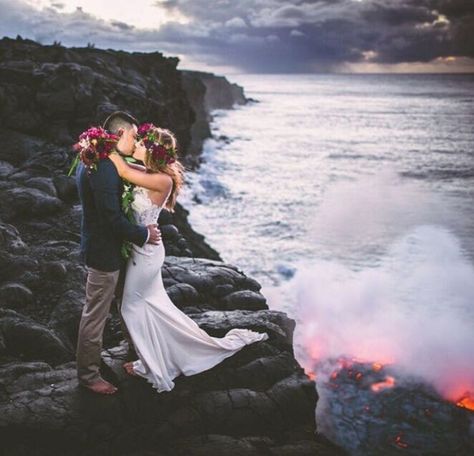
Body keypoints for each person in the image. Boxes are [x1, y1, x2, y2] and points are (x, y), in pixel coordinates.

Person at [108, 125, 269, 392]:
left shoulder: (162, 180)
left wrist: (99, 145)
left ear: (151, 151)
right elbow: (125, 168)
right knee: (155, 306)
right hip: (142, 246)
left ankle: (151, 366)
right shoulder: (148, 173)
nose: (134, 144)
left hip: (146, 253)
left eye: (139, 143)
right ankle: (161, 355)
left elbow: (122, 169)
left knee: (130, 307)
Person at [75, 111, 161, 395]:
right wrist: (145, 234)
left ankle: (136, 353)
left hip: (112, 250)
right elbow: (111, 219)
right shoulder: (102, 167)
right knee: (96, 314)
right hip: (104, 252)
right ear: (121, 134)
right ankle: (88, 376)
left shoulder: (102, 160)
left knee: (128, 303)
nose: (135, 141)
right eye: (134, 136)